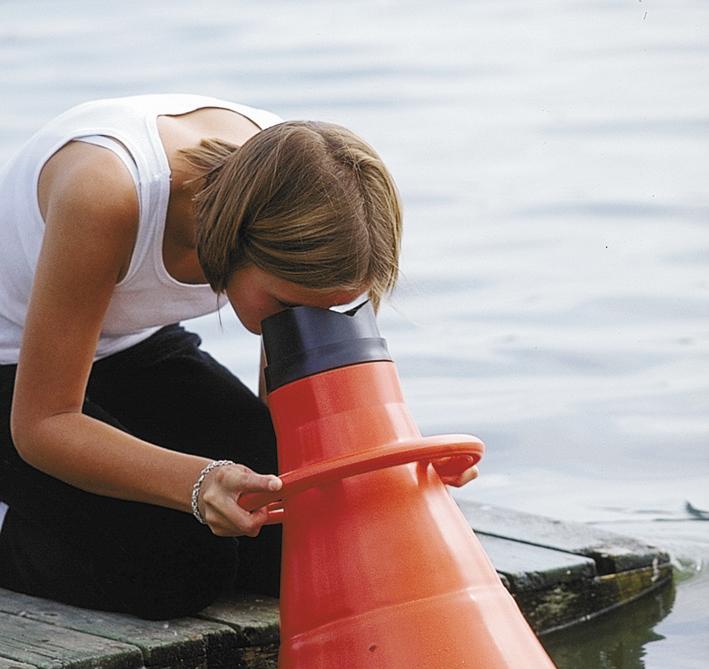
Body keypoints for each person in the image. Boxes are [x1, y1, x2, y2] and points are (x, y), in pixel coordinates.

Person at [0, 93, 477, 620]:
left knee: (299, 534)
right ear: (232, 241)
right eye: (288, 307)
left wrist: (385, 474)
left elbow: (289, 425)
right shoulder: (107, 191)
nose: (300, 326)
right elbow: (45, 423)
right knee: (175, 567)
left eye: (329, 311)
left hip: (126, 342)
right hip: (15, 369)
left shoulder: (307, 193)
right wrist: (198, 483)